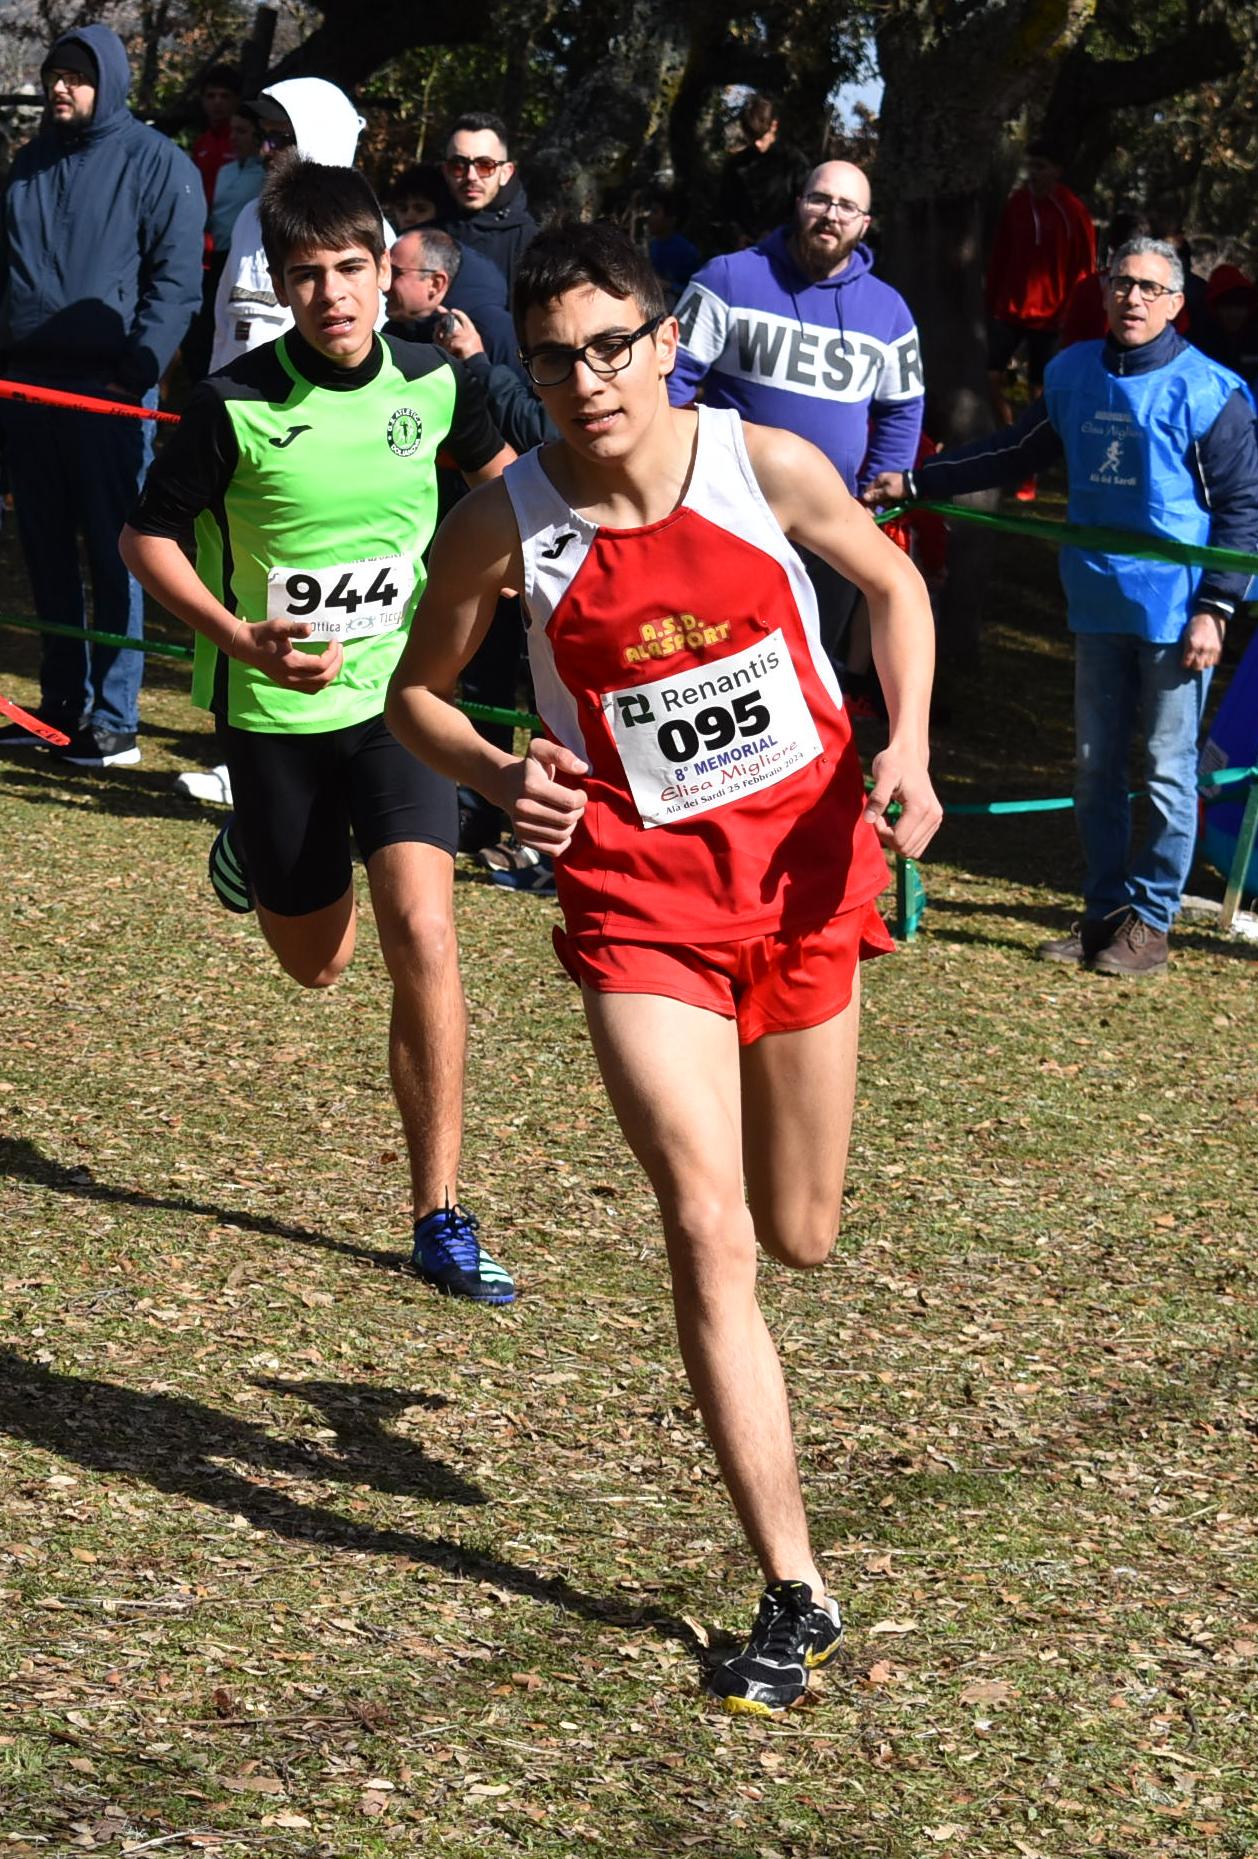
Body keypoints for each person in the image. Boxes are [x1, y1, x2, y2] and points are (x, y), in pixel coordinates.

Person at [386, 223, 942, 1711]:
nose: (587, 380)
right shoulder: (505, 521)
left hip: (803, 884)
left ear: (665, 343)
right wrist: (499, 772)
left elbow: (894, 589)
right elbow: (413, 694)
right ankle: (795, 1585)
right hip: (637, 903)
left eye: (610, 347)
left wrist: (907, 745)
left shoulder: (763, 466)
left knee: (798, 1229)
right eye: (554, 358)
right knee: (707, 1224)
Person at [121, 159, 518, 1302]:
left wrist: (514, 577)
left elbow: (509, 490)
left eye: (351, 269)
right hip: (276, 714)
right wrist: (237, 637)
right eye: (307, 275)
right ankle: (253, 849)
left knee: (425, 935)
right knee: (319, 963)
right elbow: (147, 538)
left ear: (388, 269)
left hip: (402, 706)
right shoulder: (232, 402)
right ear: (282, 285)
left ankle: (439, 1213)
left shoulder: (438, 381)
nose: (334, 295)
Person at [866, 237, 1258, 977]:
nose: (1133, 298)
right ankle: (1104, 910)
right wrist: (917, 482)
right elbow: (1015, 451)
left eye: (1150, 288)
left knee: (1167, 770)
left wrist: (1216, 608)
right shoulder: (1074, 372)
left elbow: (1244, 509)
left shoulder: (1213, 393)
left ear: (1177, 304)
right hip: (1098, 600)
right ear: (1104, 292)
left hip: (1179, 616)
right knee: (1094, 769)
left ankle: (1152, 920)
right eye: (1122, 283)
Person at [0, 24, 203, 766]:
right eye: (53, 74)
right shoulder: (28, 164)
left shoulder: (157, 163)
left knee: (120, 552)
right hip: (26, 389)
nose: (60, 86)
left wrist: (136, 370)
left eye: (76, 76)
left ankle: (115, 718)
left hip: (108, 394)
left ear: (108, 83)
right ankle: (58, 704)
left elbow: (176, 282)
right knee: (45, 548)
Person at [669, 158, 924, 672]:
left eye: (847, 207)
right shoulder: (728, 277)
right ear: (798, 204)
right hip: (724, 515)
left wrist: (873, 492)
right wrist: (668, 473)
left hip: (829, 526)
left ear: (865, 224)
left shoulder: (889, 311)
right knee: (710, 662)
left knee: (810, 669)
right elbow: (669, 376)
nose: (831, 214)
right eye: (820, 199)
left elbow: (903, 407)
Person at [210, 78, 383, 372]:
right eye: (262, 136)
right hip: (242, 395)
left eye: (280, 139)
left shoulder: (366, 229)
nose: (265, 150)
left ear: (322, 139)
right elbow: (224, 325)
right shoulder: (251, 217)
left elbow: (366, 348)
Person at [985, 139, 1095, 456]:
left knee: (1040, 389)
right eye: (1030, 166)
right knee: (990, 376)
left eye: (1041, 167)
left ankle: (1034, 453)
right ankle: (1010, 438)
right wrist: (992, 301)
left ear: (1057, 171)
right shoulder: (1017, 203)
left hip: (1051, 317)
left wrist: (1072, 311)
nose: (1033, 173)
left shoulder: (1073, 211)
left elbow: (1085, 267)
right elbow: (1000, 254)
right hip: (1010, 310)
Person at [384, 228, 518, 370]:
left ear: (436, 283)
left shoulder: (495, 333)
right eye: (385, 270)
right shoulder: (396, 331)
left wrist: (475, 363)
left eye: (396, 272)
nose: (384, 284)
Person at [435, 112, 538, 289]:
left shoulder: (530, 243)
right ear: (446, 171)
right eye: (458, 165)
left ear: (505, 173)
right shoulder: (424, 235)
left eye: (485, 165)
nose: (471, 176)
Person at [716, 94, 810, 248]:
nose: (757, 144)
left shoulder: (794, 163)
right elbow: (725, 210)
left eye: (761, 136)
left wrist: (778, 233)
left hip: (783, 247)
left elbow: (804, 209)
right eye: (752, 137)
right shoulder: (736, 165)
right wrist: (737, 235)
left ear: (774, 126)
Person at [190, 63, 240, 210]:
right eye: (211, 96)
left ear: (236, 100)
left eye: (225, 96)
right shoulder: (201, 143)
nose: (217, 102)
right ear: (203, 101)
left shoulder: (247, 142)